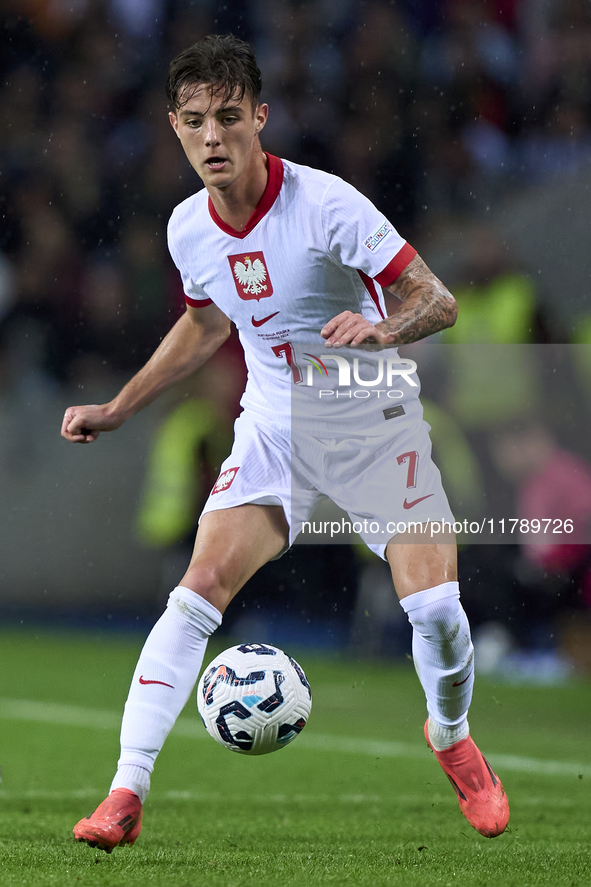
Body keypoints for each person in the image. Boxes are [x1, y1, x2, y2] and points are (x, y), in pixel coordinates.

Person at [61, 35, 509, 851]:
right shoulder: (187, 226)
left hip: (371, 423)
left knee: (436, 610)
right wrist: (121, 405)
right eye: (193, 121)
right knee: (195, 593)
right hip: (273, 428)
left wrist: (380, 329)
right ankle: (125, 791)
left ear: (259, 117)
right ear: (172, 125)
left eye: (228, 117)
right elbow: (204, 322)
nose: (211, 137)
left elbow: (435, 300)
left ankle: (450, 736)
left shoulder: (327, 204)